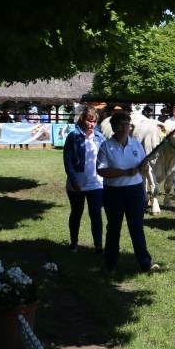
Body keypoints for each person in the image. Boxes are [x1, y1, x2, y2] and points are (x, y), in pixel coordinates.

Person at [96, 109, 161, 273]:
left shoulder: (135, 144)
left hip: (135, 192)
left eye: (128, 124)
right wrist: (125, 172)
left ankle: (145, 263)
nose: (128, 127)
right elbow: (101, 170)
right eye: (124, 124)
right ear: (115, 127)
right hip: (113, 192)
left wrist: (144, 167)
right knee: (113, 228)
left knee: (137, 227)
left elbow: (142, 165)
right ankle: (110, 263)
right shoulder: (106, 146)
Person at [62, 107, 105, 253]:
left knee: (96, 215)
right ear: (82, 119)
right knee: (76, 213)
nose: (91, 124)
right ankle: (74, 243)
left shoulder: (100, 137)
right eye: (88, 120)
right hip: (77, 184)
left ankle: (98, 246)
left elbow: (105, 159)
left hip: (96, 184)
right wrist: (74, 180)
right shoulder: (73, 136)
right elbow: (67, 161)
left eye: (94, 122)